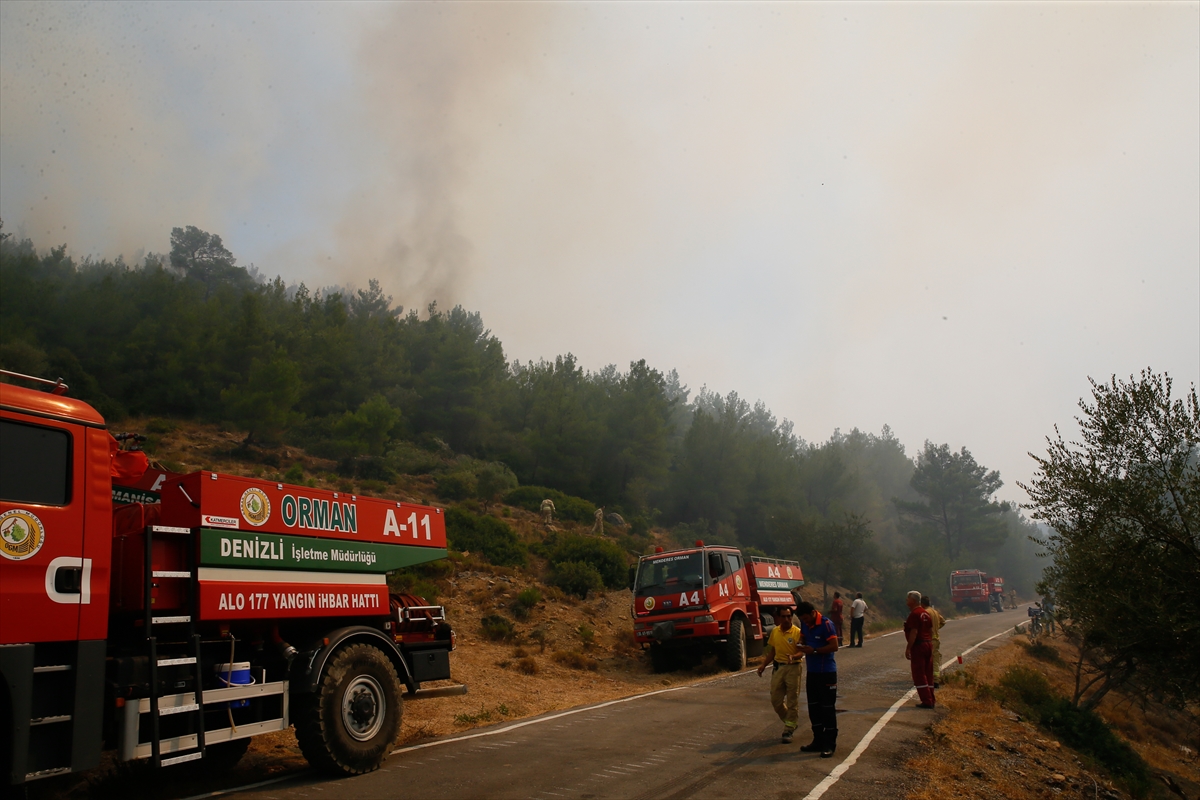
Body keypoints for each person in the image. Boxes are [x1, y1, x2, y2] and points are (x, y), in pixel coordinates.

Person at [796, 600, 840, 758]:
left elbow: (834, 646)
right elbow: (803, 638)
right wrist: (800, 644)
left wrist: (814, 651)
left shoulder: (827, 624)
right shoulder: (805, 624)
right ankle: (818, 741)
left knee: (827, 709)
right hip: (812, 673)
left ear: (813, 613)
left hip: (826, 672)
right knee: (814, 709)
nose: (805, 622)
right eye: (802, 620)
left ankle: (829, 744)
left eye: (806, 619)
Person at [756, 606, 803, 744]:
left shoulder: (797, 632)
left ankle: (788, 729)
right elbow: (773, 651)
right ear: (779, 617)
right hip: (779, 668)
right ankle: (791, 721)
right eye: (784, 616)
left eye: (789, 616)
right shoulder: (775, 632)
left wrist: (793, 656)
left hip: (793, 668)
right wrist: (763, 665)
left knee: (792, 700)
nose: (787, 619)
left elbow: (802, 651)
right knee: (776, 700)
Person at [904, 590, 935, 708]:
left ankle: (926, 701)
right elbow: (930, 631)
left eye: (908, 599)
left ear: (913, 600)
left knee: (919, 673)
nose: (907, 601)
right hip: (928, 644)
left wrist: (908, 648)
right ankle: (931, 698)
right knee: (928, 673)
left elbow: (914, 632)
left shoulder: (915, 614)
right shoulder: (926, 613)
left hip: (919, 645)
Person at [921, 595, 946, 687]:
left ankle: (928, 679)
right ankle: (936, 679)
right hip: (936, 639)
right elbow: (943, 621)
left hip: (928, 640)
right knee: (935, 659)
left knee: (926, 660)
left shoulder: (925, 613)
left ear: (922, 604)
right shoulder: (935, 612)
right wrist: (936, 628)